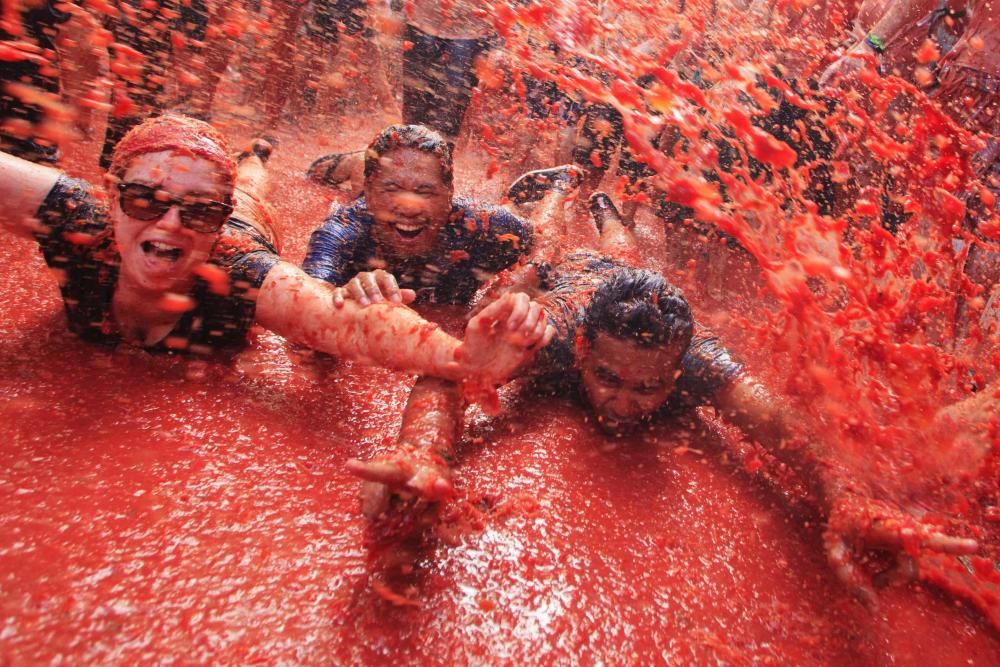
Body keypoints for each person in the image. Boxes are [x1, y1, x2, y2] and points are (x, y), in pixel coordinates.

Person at [349, 184, 980, 609]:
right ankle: (553, 193)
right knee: (543, 250)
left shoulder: (697, 357)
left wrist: (844, 494)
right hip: (570, 276)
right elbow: (451, 375)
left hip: (635, 284)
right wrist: (425, 451)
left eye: (648, 388)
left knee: (628, 252)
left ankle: (610, 211)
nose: (623, 403)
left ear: (677, 376)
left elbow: (776, 423)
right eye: (609, 379)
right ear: (583, 355)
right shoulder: (558, 333)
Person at [0, 114, 551, 389]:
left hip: (247, 216)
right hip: (237, 208)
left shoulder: (237, 272)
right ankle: (255, 159)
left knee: (251, 192)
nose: (169, 223)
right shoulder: (79, 220)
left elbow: (343, 324)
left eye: (197, 212)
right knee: (244, 185)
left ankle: (254, 164)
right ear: (110, 198)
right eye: (145, 199)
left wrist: (464, 358)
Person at [302, 124, 558, 306]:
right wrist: (337, 299)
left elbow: (546, 239)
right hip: (366, 189)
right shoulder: (343, 230)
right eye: (392, 190)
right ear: (369, 192)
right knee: (358, 169)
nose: (409, 207)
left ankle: (560, 185)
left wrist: (528, 276)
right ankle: (354, 161)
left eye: (426, 192)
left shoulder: (479, 223)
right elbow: (307, 300)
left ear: (449, 194)